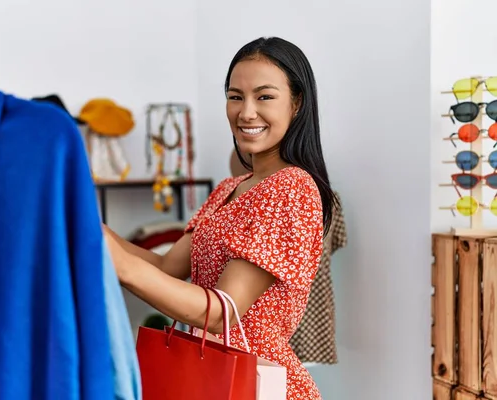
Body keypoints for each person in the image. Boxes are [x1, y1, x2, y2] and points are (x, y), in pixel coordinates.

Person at [104, 36, 336, 400]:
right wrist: (91, 229)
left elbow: (221, 313)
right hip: (210, 376)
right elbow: (166, 268)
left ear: (297, 103)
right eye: (235, 96)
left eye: (264, 96)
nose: (246, 112)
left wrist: (121, 265)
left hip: (254, 383)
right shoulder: (231, 187)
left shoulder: (291, 187)